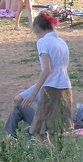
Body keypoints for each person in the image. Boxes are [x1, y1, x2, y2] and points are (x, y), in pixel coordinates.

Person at [19, 12, 72, 141]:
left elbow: (47, 69)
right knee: (59, 125)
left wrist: (32, 94)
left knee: (42, 127)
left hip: (50, 86)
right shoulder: (61, 42)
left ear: (37, 28)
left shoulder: (43, 42)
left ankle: (46, 155)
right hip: (65, 85)